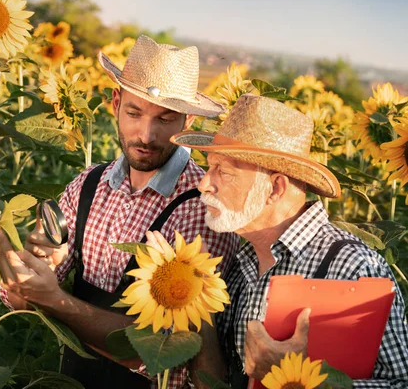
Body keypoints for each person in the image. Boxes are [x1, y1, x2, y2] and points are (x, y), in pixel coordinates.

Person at [0, 35, 239, 389]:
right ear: (115, 103)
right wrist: (24, 279)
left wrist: (55, 299)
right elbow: (25, 299)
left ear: (186, 122)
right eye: (134, 113)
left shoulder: (202, 206)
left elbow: (167, 351)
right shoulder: (87, 186)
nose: (146, 134)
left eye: (165, 120)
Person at [170, 93, 408, 388]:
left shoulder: (353, 266)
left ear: (275, 188)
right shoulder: (239, 266)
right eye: (209, 167)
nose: (204, 183)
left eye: (224, 171)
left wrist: (298, 381)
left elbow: (400, 382)